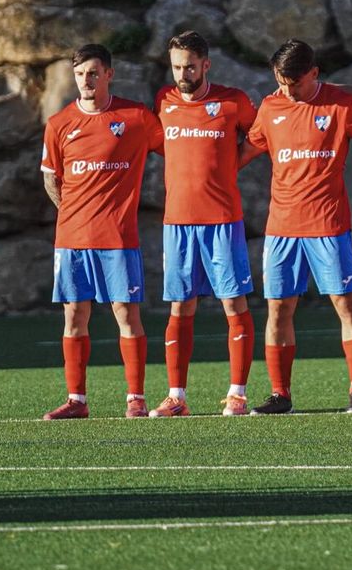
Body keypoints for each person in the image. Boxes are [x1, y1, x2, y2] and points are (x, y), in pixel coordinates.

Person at [243, 38, 352, 414]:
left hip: (327, 225)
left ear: (314, 73)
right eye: (281, 82)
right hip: (281, 228)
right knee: (278, 310)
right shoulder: (270, 107)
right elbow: (246, 152)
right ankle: (280, 394)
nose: (287, 90)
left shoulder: (338, 105)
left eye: (295, 83)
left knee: (346, 304)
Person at [40, 43, 164, 420]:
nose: (86, 80)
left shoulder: (136, 117)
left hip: (117, 239)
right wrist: (76, 213)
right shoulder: (59, 124)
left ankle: (136, 399)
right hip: (72, 240)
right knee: (74, 316)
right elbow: (51, 179)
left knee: (126, 314)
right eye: (79, 74)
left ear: (109, 74)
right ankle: (77, 400)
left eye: (93, 73)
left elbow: (176, 150)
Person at [147, 31, 260, 418]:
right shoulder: (164, 101)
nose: (183, 73)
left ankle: (237, 394)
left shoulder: (233, 102)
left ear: (205, 64)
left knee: (233, 303)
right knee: (181, 306)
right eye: (177, 66)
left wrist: (232, 164)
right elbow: (164, 145)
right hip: (177, 221)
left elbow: (260, 136)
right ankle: (176, 396)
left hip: (222, 220)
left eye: (190, 66)